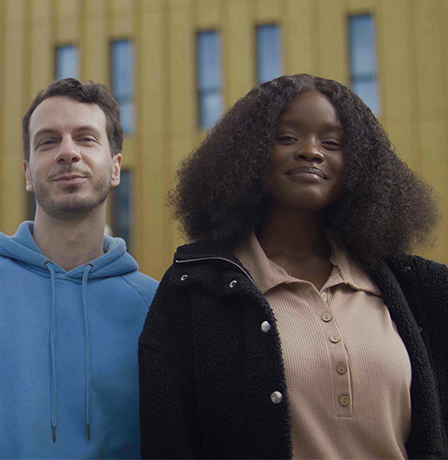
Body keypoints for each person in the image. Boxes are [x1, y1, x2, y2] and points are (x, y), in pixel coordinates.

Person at [139, 74, 448, 459]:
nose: (311, 151)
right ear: (249, 155)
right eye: (287, 138)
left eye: (332, 143)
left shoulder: (421, 289)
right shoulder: (194, 288)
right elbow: (169, 441)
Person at [0, 78, 158, 458]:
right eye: (48, 141)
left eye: (85, 138)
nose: (68, 152)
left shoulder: (156, 306)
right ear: (28, 173)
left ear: (115, 168)